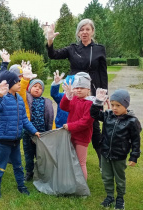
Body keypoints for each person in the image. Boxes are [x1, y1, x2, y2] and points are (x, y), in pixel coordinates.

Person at [45, 18, 107, 170]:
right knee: (71, 119)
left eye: (87, 29)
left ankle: (102, 161)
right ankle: (70, 158)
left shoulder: (99, 49)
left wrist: (104, 93)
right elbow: (53, 55)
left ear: (92, 31)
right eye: (82, 29)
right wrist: (50, 41)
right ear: (78, 33)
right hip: (75, 89)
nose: (84, 32)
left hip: (91, 90)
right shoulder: (72, 48)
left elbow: (103, 73)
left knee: (93, 124)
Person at [0, 70, 40, 198]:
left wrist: (34, 131)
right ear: (9, 84)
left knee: (18, 165)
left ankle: (21, 186)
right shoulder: (2, 99)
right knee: (0, 166)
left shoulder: (20, 99)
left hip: (16, 140)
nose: (19, 84)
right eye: (16, 82)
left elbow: (24, 120)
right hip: (4, 141)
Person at [90, 89, 141, 210]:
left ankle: (120, 198)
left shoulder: (132, 121)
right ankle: (109, 196)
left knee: (119, 178)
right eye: (112, 105)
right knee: (106, 176)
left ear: (126, 105)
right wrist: (97, 102)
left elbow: (136, 140)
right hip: (105, 153)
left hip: (119, 155)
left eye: (118, 105)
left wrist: (134, 156)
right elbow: (94, 114)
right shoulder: (108, 115)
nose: (114, 108)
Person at [18, 62, 54, 181]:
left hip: (41, 134)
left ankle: (41, 172)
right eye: (35, 86)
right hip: (28, 133)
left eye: (40, 87)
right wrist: (25, 79)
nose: (37, 89)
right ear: (30, 88)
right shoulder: (26, 98)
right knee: (28, 154)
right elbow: (21, 90)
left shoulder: (46, 102)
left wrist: (52, 131)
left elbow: (50, 118)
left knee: (41, 155)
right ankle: (29, 172)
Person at [60, 72, 95, 180]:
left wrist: (70, 126)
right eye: (77, 88)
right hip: (71, 135)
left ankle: (82, 187)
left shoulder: (91, 103)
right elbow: (64, 107)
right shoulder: (74, 99)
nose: (79, 90)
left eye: (82, 88)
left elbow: (86, 121)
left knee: (81, 162)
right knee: (70, 159)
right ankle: (72, 181)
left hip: (82, 137)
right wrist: (67, 97)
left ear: (88, 89)